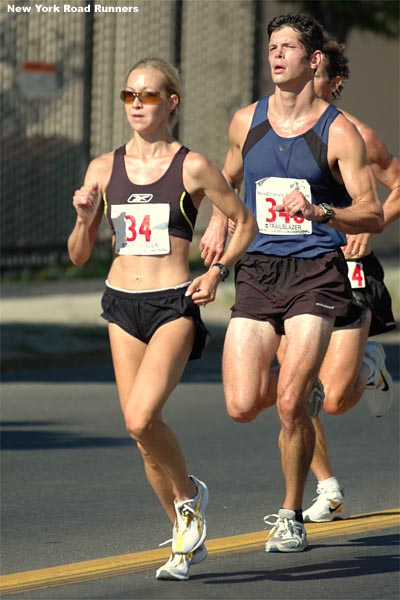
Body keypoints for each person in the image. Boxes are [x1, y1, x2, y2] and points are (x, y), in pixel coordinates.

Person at [67, 57, 257, 581]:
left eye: (147, 96)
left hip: (174, 301)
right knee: (141, 434)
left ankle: (191, 496)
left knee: (138, 417)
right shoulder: (103, 168)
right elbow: (79, 256)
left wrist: (217, 271)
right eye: (129, 96)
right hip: (120, 305)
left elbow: (244, 221)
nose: (136, 106)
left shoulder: (192, 166)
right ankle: (183, 530)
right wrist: (85, 220)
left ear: (171, 102)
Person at [200, 13, 383, 553]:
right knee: (241, 403)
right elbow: (227, 175)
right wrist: (218, 218)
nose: (277, 55)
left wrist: (324, 211)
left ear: (313, 60)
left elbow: (370, 212)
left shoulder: (340, 131)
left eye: (287, 47)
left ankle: (291, 513)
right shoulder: (245, 120)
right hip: (257, 271)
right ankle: (305, 392)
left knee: (289, 401)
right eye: (272, 47)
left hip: (315, 273)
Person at [297, 40, 399, 522]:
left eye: (313, 75)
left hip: (345, 267)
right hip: (290, 269)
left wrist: (364, 224)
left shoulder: (357, 134)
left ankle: (367, 366)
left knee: (333, 398)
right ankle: (328, 486)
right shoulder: (273, 129)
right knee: (294, 387)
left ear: (333, 83)